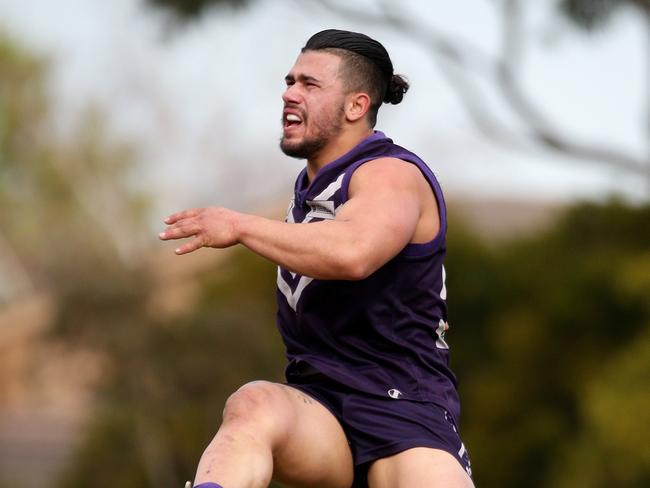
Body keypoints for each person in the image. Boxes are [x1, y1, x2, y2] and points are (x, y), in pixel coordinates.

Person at [160, 29, 473, 488]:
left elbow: (353, 252)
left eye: (309, 84)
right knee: (253, 405)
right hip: (322, 411)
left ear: (356, 106)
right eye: (289, 81)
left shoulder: (390, 174)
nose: (289, 93)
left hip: (404, 414)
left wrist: (240, 226)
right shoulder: (309, 190)